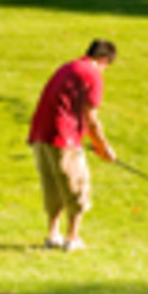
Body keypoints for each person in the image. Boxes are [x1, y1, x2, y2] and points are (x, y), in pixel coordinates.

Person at [27, 39, 117, 251]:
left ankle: (53, 235)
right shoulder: (93, 75)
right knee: (77, 186)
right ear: (103, 60)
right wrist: (104, 147)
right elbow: (91, 117)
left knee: (52, 184)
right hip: (63, 136)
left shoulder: (68, 66)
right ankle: (73, 237)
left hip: (40, 132)